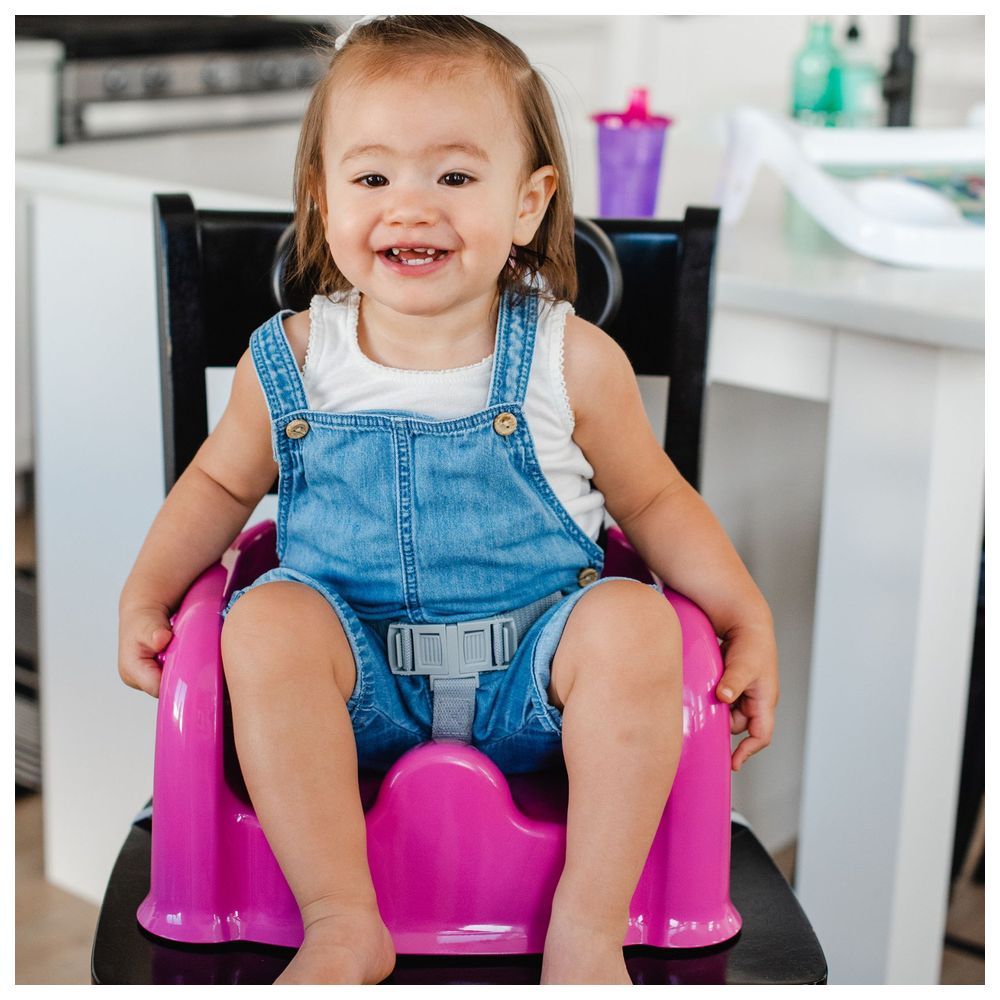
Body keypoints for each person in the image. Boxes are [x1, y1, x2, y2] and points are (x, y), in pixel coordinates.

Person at [118, 15, 778, 986]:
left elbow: (660, 503)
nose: (409, 207)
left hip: (536, 682)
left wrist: (743, 613)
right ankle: (343, 918)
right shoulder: (297, 359)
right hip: (354, 689)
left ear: (527, 200)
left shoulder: (572, 360)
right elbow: (217, 484)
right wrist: (148, 591)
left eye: (455, 177)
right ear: (323, 197)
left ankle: (589, 925)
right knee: (263, 626)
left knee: (635, 624)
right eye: (373, 176)